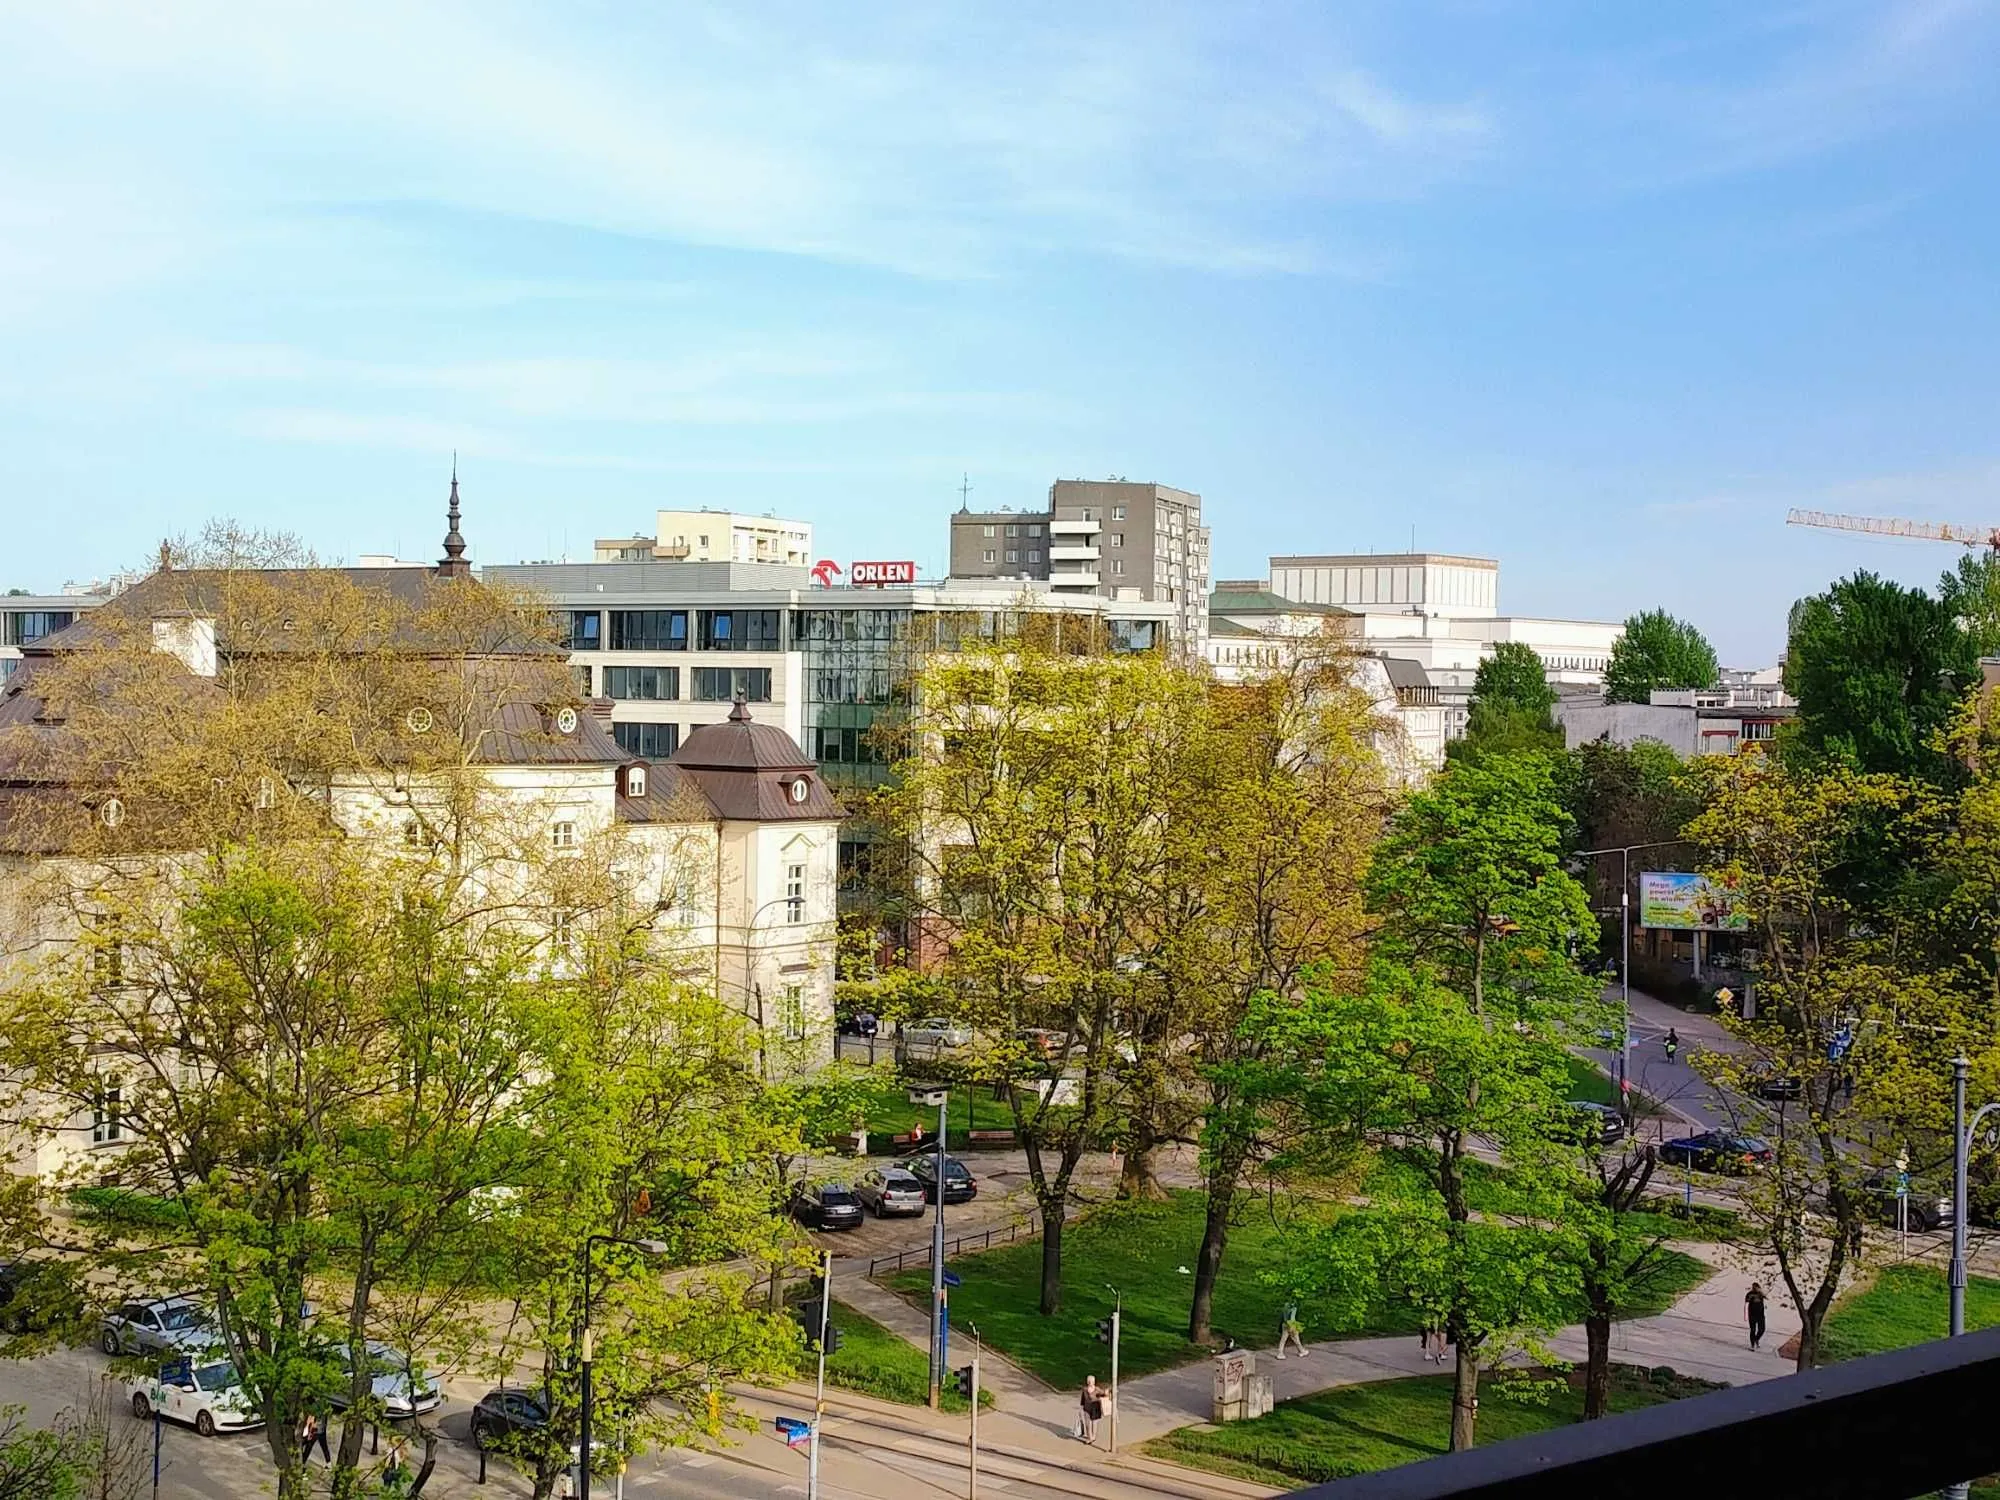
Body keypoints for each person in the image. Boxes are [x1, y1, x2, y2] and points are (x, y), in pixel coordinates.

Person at [1078, 1375, 1104, 1442]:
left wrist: (1107, 1392)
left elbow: (1103, 1394)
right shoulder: (1085, 1389)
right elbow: (1082, 1400)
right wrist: (1081, 1409)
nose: (1090, 1382)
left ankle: (1093, 1436)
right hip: (1087, 1408)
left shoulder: (1097, 1389)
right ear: (1087, 1382)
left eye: (1091, 1381)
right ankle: (1090, 1437)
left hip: (1095, 1408)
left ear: (1094, 1382)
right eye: (1089, 1381)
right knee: (1087, 1424)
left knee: (1094, 1423)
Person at [1746, 1282, 1767, 1350]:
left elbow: (1765, 1297)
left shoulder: (1760, 1293)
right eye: (1753, 1287)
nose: (1754, 1288)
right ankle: (1752, 1345)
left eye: (1756, 1287)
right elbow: (1746, 1300)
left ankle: (1756, 1339)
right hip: (1752, 1315)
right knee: (1753, 1330)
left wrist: (1761, 1293)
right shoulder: (1749, 1294)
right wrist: (1751, 1297)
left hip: (1760, 1314)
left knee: (1762, 1329)